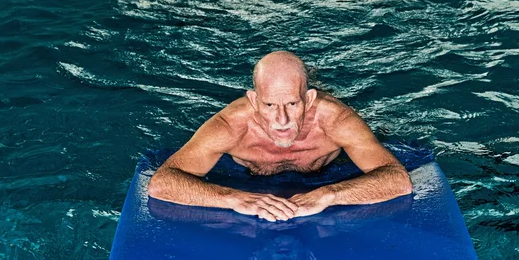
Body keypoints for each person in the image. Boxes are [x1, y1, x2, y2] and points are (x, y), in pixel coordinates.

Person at [148, 51, 413, 222]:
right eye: (270, 105)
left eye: (292, 105)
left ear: (309, 100)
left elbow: (398, 180)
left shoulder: (336, 120)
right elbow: (162, 182)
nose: (282, 120)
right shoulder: (230, 126)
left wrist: (330, 194)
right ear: (253, 100)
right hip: (242, 179)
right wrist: (234, 198)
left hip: (331, 173)